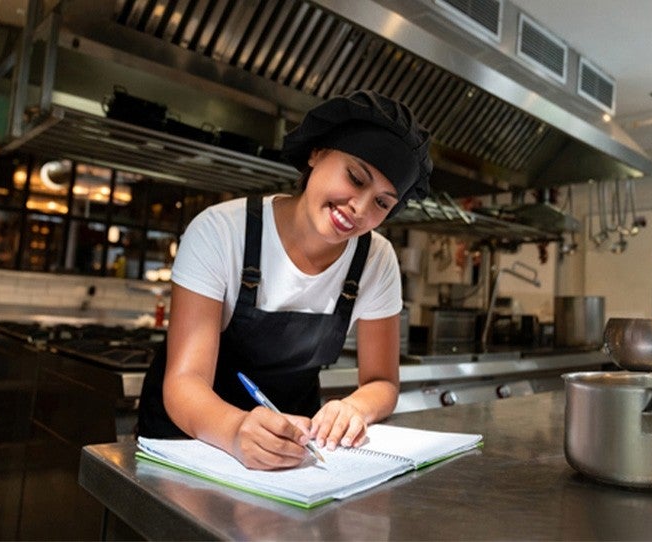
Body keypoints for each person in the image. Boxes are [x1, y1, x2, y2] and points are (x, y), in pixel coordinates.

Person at [138, 89, 432, 470]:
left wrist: (353, 408)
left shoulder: (375, 260)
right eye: (356, 178)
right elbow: (184, 383)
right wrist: (236, 429)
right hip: (192, 446)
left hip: (292, 458)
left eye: (382, 203)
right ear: (317, 153)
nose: (359, 208)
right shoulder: (221, 232)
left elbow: (382, 382)